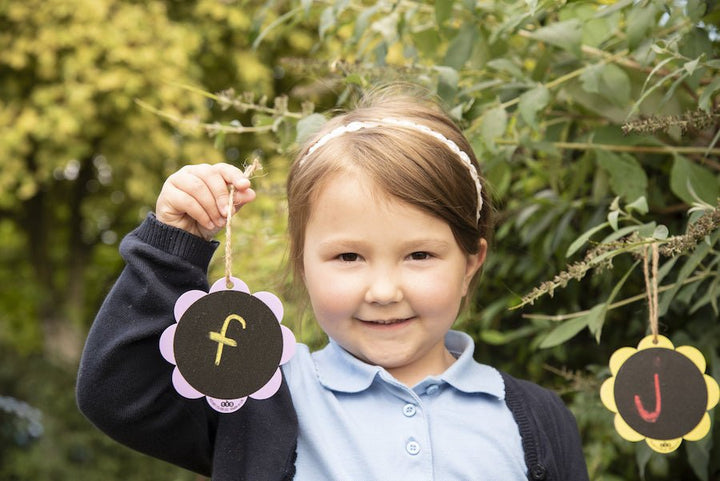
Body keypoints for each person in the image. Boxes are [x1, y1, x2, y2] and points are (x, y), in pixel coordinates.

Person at [77, 87, 589, 481]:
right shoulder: (258, 394)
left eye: (419, 255)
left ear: (470, 262)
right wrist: (172, 248)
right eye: (348, 256)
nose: (384, 290)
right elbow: (117, 396)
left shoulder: (537, 421)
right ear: (303, 263)